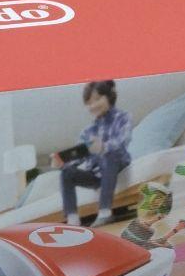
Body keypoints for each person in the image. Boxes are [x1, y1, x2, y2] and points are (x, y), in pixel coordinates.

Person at [52, 80, 132, 227]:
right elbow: (78, 158)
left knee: (108, 154)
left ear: (109, 96)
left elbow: (123, 141)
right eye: (89, 103)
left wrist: (103, 146)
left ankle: (105, 213)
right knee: (66, 173)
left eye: (97, 99)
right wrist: (62, 163)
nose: (93, 105)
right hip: (96, 174)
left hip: (116, 164)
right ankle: (73, 220)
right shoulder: (87, 131)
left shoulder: (123, 117)